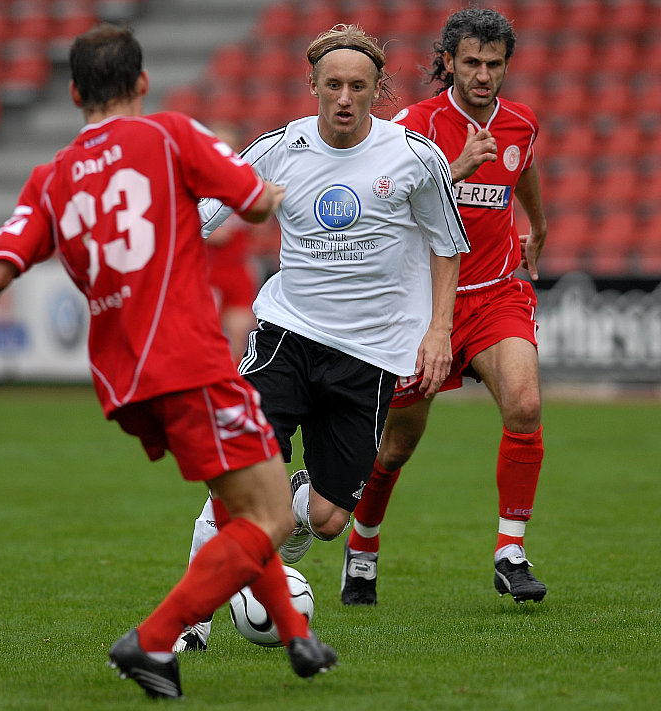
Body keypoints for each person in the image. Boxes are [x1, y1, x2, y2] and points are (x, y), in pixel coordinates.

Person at [0, 23, 338, 700]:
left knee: (239, 499)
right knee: (274, 515)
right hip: (191, 361)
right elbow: (251, 203)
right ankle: (153, 640)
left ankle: (296, 638)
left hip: (126, 382)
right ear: (142, 82)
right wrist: (273, 196)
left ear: (75, 93)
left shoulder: (51, 178)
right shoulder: (170, 135)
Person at [173, 23, 469, 652]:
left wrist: (439, 330)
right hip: (288, 336)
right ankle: (191, 622)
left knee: (330, 519)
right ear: (312, 84)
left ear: (377, 89)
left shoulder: (414, 158)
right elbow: (201, 220)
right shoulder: (279, 149)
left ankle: (296, 501)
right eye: (332, 84)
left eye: (358, 86)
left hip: (370, 355)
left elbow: (448, 244)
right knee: (240, 467)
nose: (344, 97)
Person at [340, 7, 549, 607]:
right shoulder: (415, 125)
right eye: (472, 62)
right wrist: (456, 169)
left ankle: (510, 552)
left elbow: (522, 168)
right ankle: (363, 544)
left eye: (494, 64)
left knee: (525, 405)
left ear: (506, 65)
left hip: (495, 294)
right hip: (425, 304)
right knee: (396, 447)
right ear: (449, 62)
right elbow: (388, 207)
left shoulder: (520, 124)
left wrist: (538, 226)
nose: (483, 75)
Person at [204, 123, 263, 364]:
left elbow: (259, 224)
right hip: (207, 273)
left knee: (240, 338)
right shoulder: (199, 185)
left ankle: (237, 383)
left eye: (228, 147)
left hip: (237, 271)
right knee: (206, 340)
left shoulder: (247, 183)